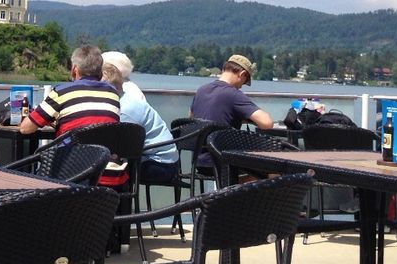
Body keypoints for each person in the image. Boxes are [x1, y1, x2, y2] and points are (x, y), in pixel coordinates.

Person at [100, 51, 179, 185]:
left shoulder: (124, 111)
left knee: (106, 171)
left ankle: (115, 204)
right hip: (159, 159)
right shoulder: (126, 99)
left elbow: (122, 148)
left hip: (160, 165)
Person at [20, 44, 120, 138]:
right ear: (100, 71)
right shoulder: (113, 93)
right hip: (105, 155)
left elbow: (25, 128)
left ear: (74, 69)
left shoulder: (62, 92)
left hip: (72, 155)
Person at [190, 54, 276, 131]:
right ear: (242, 74)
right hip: (221, 147)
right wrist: (248, 120)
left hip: (199, 147)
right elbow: (267, 123)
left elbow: (191, 118)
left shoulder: (201, 90)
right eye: (244, 82)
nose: (241, 86)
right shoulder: (233, 94)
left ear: (224, 69)